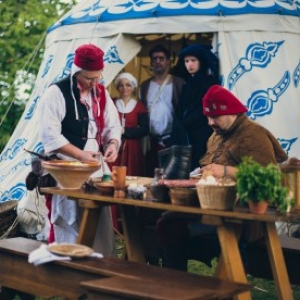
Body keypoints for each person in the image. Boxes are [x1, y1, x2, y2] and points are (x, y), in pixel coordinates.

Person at [157, 85, 288, 271]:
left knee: (171, 226)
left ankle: (181, 287)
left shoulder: (253, 134)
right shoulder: (216, 136)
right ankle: (174, 288)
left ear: (232, 112)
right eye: (208, 117)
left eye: (215, 116)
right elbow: (210, 169)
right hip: (213, 209)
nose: (210, 122)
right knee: (164, 221)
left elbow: (269, 178)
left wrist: (225, 171)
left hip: (242, 218)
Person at [38, 44, 122, 256]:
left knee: (98, 217)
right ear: (76, 72)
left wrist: (112, 144)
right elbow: (50, 135)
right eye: (88, 78)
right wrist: (81, 155)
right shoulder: (56, 93)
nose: (94, 83)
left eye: (97, 77)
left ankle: (100, 268)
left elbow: (113, 126)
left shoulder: (101, 93)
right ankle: (69, 271)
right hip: (66, 169)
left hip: (95, 167)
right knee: (69, 218)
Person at [170, 44, 220, 171]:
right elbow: (181, 108)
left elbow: (205, 109)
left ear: (201, 62)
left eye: (193, 60)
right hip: (186, 134)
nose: (189, 65)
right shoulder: (188, 83)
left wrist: (185, 122)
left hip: (201, 133)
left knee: (198, 168)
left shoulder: (209, 82)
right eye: (186, 61)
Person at [139, 44, 185, 177]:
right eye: (154, 59)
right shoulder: (145, 86)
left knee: (172, 178)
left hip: (172, 140)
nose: (157, 61)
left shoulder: (179, 83)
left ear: (168, 61)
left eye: (161, 58)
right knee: (150, 177)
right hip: (150, 142)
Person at [110, 72, 149, 176]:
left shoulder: (139, 106)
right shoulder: (111, 103)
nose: (124, 88)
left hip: (133, 148)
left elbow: (145, 129)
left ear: (133, 87)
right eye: (121, 85)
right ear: (117, 87)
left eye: (128, 85)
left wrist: (125, 131)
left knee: (132, 175)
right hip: (114, 146)